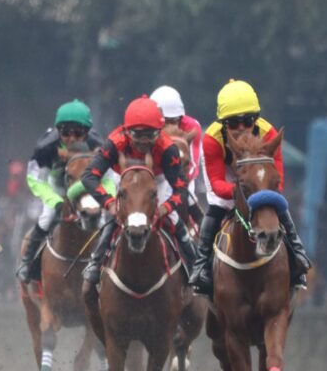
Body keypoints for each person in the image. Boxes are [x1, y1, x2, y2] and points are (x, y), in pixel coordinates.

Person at [189, 79, 310, 298]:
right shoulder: (211, 140)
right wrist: (240, 194)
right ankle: (201, 267)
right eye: (234, 123)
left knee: (278, 207)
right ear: (223, 124)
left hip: (258, 181)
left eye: (248, 120)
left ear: (256, 119)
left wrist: (261, 193)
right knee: (216, 209)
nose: (242, 127)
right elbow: (216, 184)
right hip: (227, 180)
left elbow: (278, 179)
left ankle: (298, 256)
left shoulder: (269, 133)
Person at [79, 95, 196, 300]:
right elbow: (88, 176)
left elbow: (181, 189)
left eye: (150, 135)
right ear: (126, 131)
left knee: (176, 221)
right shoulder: (114, 143)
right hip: (124, 178)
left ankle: (196, 270)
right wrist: (109, 204)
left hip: (157, 180)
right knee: (111, 221)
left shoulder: (168, 149)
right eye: (138, 134)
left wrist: (165, 209)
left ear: (159, 132)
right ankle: (94, 265)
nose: (143, 141)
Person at [17, 99, 106, 284]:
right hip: (56, 185)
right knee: (48, 217)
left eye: (78, 133)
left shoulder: (99, 145)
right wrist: (55, 200)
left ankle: (107, 261)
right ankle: (27, 263)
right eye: (65, 132)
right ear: (58, 131)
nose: (71, 138)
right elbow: (34, 179)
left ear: (87, 132)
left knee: (105, 218)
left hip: (87, 188)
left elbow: (111, 178)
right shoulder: (45, 147)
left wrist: (105, 197)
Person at [150, 85, 204, 221]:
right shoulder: (148, 128)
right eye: (165, 122)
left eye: (173, 121)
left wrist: (180, 182)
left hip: (183, 175)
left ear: (181, 117)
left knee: (190, 198)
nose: (170, 127)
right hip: (156, 176)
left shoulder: (193, 126)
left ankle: (204, 235)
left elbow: (193, 164)